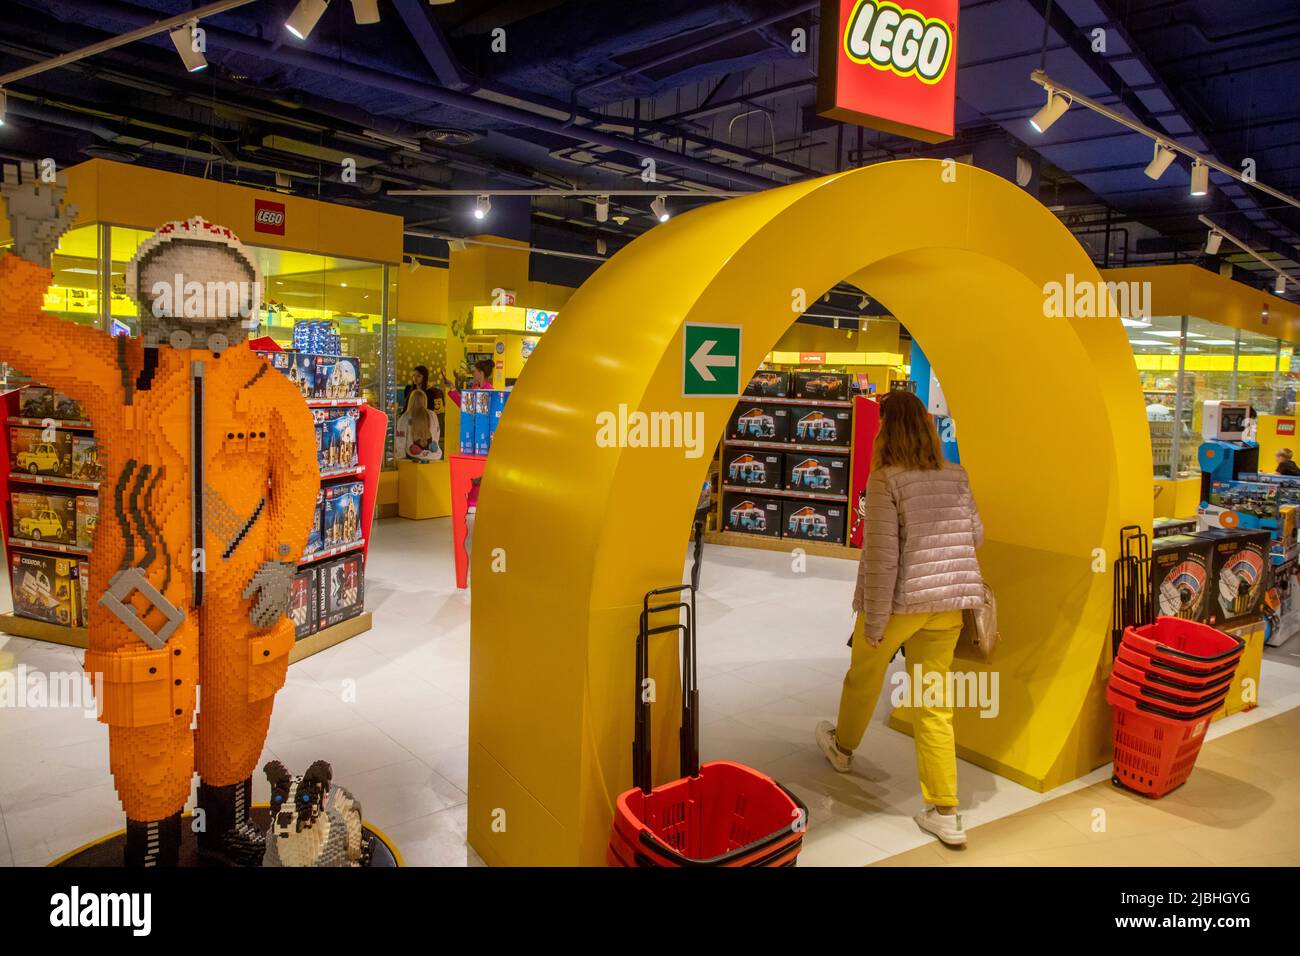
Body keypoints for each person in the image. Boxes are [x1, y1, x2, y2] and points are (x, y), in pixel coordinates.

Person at [815, 391, 985, 848]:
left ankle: (843, 748)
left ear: (886, 430)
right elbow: (976, 535)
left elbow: (883, 558)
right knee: (934, 705)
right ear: (929, 430)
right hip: (949, 606)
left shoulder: (885, 480)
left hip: (897, 606)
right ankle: (945, 811)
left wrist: (873, 623)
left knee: (863, 680)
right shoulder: (956, 475)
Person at [395, 387, 442, 461]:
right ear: (425, 401)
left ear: (410, 401)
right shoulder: (432, 415)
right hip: (434, 456)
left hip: (413, 457)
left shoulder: (405, 417)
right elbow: (437, 434)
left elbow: (400, 440)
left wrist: (401, 457)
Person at [402, 364, 445, 437]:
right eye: (414, 375)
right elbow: (406, 407)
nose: (415, 378)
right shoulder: (409, 390)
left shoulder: (429, 392)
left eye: (418, 376)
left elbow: (430, 410)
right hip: (410, 422)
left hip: (424, 423)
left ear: (424, 377)